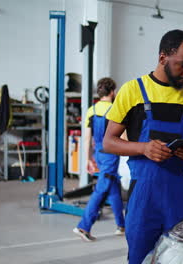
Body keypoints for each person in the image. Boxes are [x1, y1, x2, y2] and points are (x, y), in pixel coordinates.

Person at [103, 30, 183, 263]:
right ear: (163, 58)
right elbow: (109, 142)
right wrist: (143, 149)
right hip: (144, 199)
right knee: (139, 258)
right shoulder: (132, 91)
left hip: (180, 198)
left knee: (181, 258)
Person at [73, 77, 125, 242]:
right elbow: (123, 135)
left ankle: (121, 226)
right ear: (111, 92)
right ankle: (83, 226)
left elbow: (87, 138)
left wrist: (87, 159)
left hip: (99, 153)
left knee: (114, 186)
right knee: (102, 188)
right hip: (111, 153)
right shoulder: (115, 109)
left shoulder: (92, 110)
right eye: (114, 90)